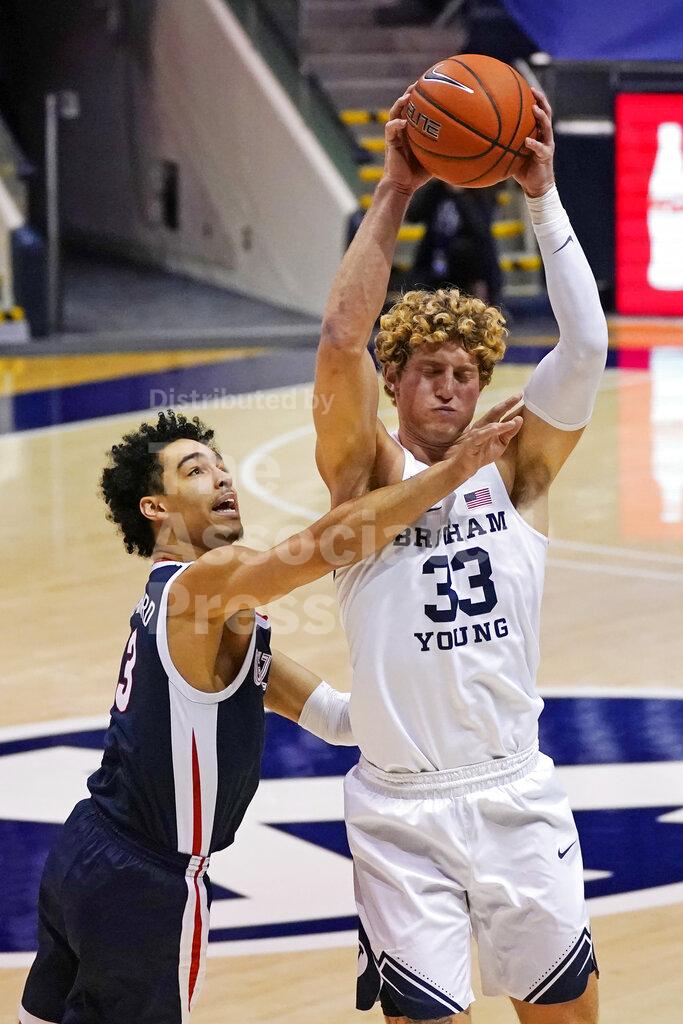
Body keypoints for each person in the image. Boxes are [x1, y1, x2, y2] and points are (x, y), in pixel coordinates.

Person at [19, 405, 521, 1024]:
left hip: (87, 850)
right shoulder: (205, 583)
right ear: (155, 507)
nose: (222, 478)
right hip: (145, 881)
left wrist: (454, 682)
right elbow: (329, 543)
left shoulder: (201, 615)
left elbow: (337, 719)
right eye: (195, 470)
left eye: (220, 466)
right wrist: (452, 472)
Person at [313, 85, 607, 1023]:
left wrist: (542, 195)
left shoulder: (515, 470)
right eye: (429, 371)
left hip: (513, 790)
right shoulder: (365, 472)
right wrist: (394, 189)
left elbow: (585, 348)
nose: (449, 388)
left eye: (466, 374)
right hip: (401, 812)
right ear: (393, 379)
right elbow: (338, 340)